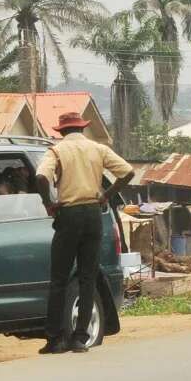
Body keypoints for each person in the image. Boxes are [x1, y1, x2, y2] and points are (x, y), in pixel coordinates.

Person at [36, 112, 134, 354]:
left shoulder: (56, 152)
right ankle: (80, 338)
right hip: (93, 214)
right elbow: (128, 172)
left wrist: (48, 202)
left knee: (59, 279)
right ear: (83, 128)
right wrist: (106, 195)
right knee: (87, 277)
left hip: (68, 214)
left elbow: (40, 177)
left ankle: (56, 338)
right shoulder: (97, 149)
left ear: (61, 131)